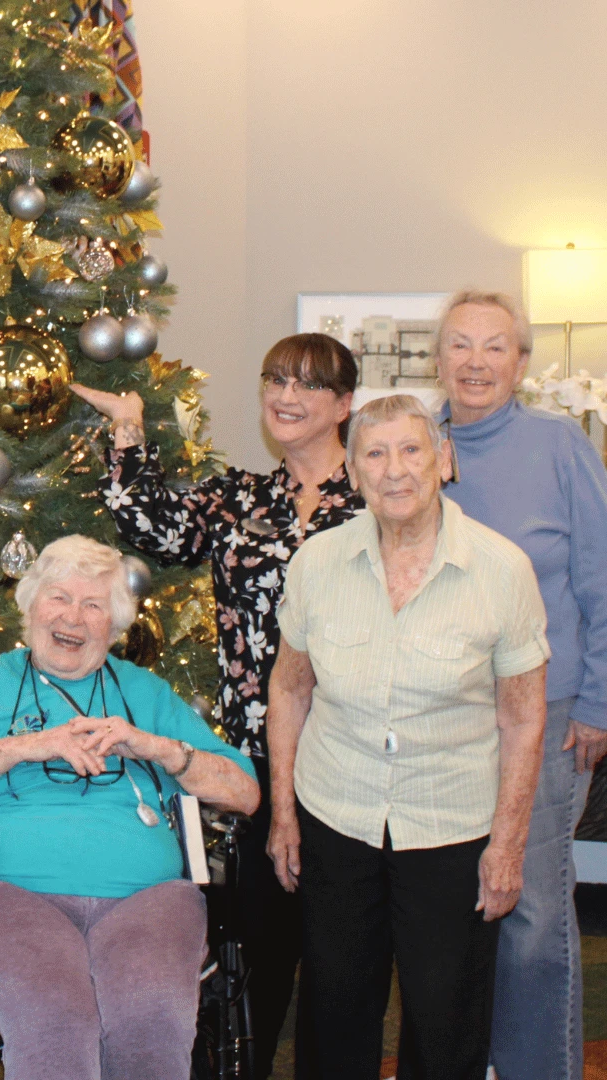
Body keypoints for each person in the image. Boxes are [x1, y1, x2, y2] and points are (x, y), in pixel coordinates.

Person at [72, 332, 362, 1077]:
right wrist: (129, 428)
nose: (287, 396)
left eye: (308, 384)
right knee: (255, 948)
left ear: (344, 404)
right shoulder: (242, 498)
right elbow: (155, 530)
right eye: (275, 380)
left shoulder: (373, 498)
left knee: (342, 956)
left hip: (352, 755)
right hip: (252, 761)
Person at [0, 535, 260, 1080]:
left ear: (113, 627)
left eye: (94, 606)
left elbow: (244, 792)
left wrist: (153, 746)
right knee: (55, 1018)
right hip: (5, 892)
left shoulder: (146, 693)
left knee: (152, 1014)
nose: (74, 618)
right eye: (59, 598)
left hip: (148, 897)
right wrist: (27, 746)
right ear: (31, 606)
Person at [266, 394, 549, 1080]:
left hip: (451, 825)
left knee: (445, 1017)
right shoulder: (318, 563)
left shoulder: (501, 568)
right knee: (334, 1009)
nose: (396, 470)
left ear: (443, 460)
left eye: (412, 449)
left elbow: (522, 716)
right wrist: (282, 815)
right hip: (337, 815)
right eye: (375, 453)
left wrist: (507, 847)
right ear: (355, 474)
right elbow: (290, 687)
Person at [432, 290, 607, 1080]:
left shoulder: (558, 443)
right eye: (461, 346)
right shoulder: (412, 443)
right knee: (455, 905)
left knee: (533, 905)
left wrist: (602, 701)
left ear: (522, 363)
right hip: (443, 716)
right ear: (438, 358)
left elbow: (601, 578)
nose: (476, 363)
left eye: (495, 347)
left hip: (550, 708)